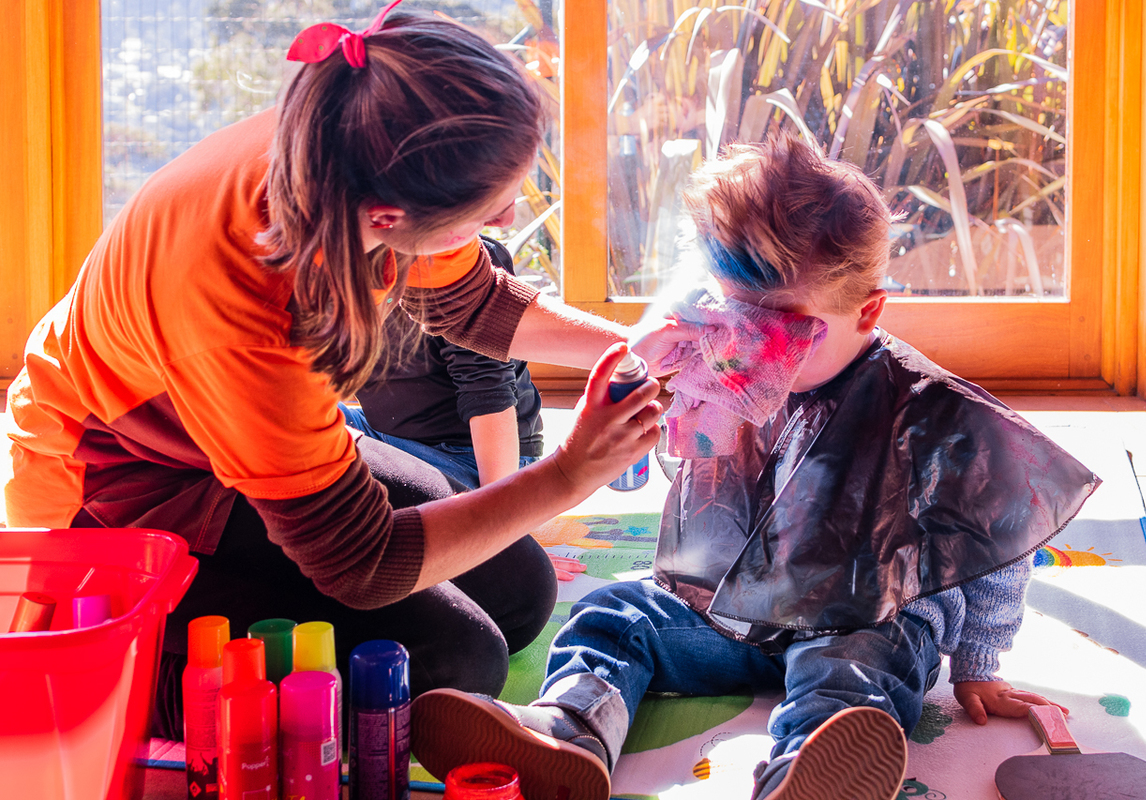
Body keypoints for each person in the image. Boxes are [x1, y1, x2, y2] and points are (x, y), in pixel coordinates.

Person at [0, 3, 690, 738]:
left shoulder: (356, 143)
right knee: (453, 661)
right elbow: (360, 565)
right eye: (489, 210)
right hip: (127, 485)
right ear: (389, 217)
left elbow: (470, 300)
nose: (507, 215)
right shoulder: (246, 308)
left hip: (237, 433)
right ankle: (91, 683)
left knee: (521, 590)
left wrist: (638, 340)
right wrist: (569, 474)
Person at [409, 136, 1100, 800]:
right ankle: (571, 730)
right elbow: (669, 454)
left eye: (783, 331)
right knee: (611, 613)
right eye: (735, 317)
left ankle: (813, 767)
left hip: (867, 613)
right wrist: (645, 373)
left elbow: (1007, 521)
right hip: (727, 611)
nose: (747, 349)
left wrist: (980, 662)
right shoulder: (722, 363)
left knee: (854, 668)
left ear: (869, 310)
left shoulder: (921, 405)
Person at [341, 236, 545, 492]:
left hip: (471, 458)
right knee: (284, 445)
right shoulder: (323, 260)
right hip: (381, 433)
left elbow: (488, 391)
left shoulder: (459, 256)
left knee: (342, 487)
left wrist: (496, 506)